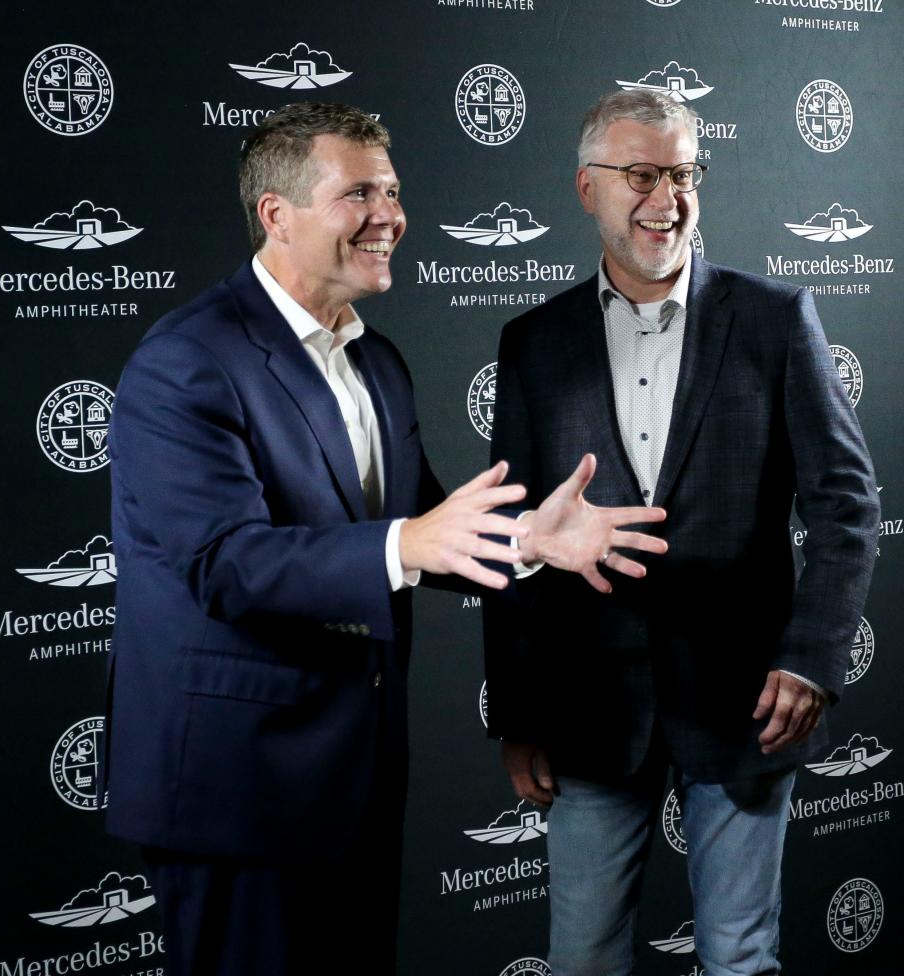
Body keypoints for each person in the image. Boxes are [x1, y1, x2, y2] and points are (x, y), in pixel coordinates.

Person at [102, 101, 667, 976]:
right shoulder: (189, 360)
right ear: (277, 215)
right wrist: (407, 545)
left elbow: (432, 522)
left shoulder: (376, 361)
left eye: (394, 191)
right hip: (236, 792)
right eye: (358, 192)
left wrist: (527, 541)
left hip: (352, 780)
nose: (391, 216)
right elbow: (223, 563)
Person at [483, 89, 880, 976]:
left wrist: (812, 657)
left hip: (744, 710)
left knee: (739, 957)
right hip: (589, 715)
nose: (667, 196)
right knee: (583, 961)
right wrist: (517, 712)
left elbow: (847, 506)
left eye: (683, 172)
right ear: (588, 188)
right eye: (640, 174)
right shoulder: (534, 345)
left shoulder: (776, 318)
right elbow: (512, 535)